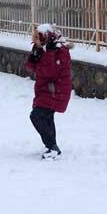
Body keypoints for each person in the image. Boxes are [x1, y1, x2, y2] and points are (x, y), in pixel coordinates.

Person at [24, 23, 73, 161]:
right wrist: (34, 56)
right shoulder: (41, 48)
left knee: (37, 116)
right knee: (46, 117)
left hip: (56, 90)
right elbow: (30, 67)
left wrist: (48, 54)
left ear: (45, 37)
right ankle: (52, 146)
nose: (34, 41)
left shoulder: (60, 51)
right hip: (45, 89)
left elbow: (50, 72)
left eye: (36, 38)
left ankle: (52, 146)